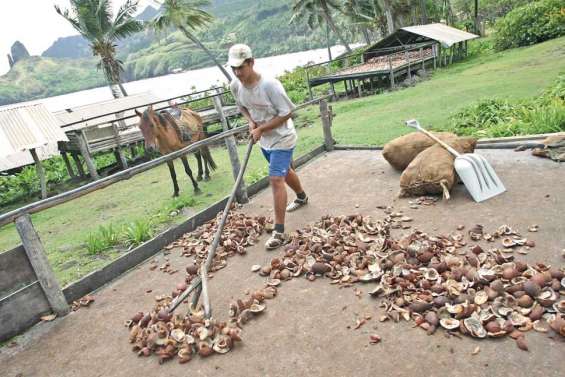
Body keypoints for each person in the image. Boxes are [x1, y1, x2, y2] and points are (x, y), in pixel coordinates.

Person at [228, 43, 308, 250]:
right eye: (233, 69)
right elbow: (242, 107)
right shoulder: (235, 86)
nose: (237, 73)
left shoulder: (269, 86)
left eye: (241, 68)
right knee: (284, 172)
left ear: (251, 63)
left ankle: (279, 232)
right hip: (265, 141)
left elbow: (287, 112)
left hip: (283, 138)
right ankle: (301, 196)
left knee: (275, 178)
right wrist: (250, 121)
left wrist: (261, 128)